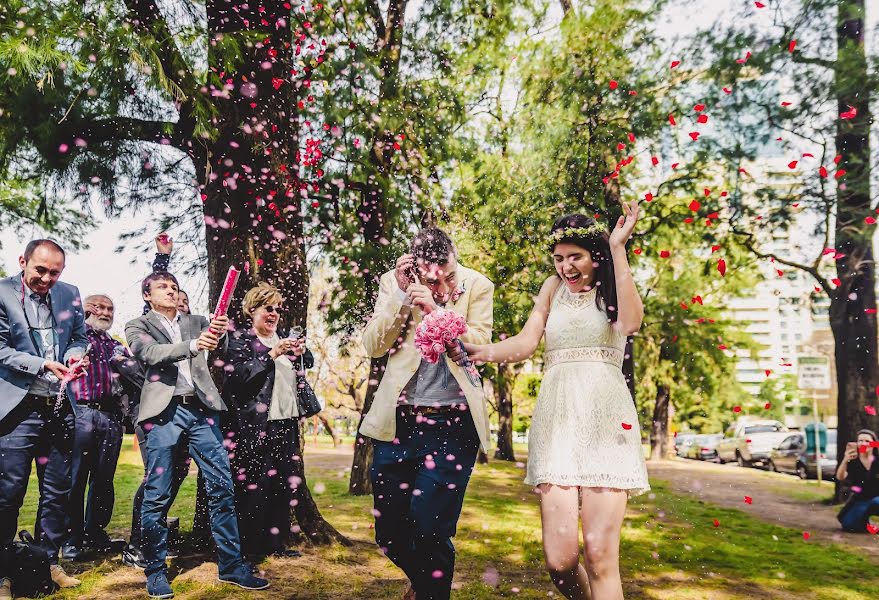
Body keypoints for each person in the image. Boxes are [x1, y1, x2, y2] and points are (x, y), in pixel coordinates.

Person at [464, 210, 649, 600]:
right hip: (557, 422)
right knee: (560, 561)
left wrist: (618, 249)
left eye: (575, 257)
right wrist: (484, 351)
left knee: (601, 557)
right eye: (559, 258)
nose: (566, 266)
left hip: (606, 422)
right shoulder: (551, 289)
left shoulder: (613, 285)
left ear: (593, 255)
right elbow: (527, 341)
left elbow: (631, 324)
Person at [360, 224, 495, 600]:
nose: (441, 285)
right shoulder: (395, 283)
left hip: (453, 424)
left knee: (430, 528)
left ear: (453, 259)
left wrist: (437, 310)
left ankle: (431, 593)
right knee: (388, 535)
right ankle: (424, 585)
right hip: (398, 422)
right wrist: (402, 297)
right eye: (431, 280)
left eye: (447, 277)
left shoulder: (478, 285)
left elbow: (480, 345)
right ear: (417, 267)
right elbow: (373, 345)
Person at [125, 271, 269, 598]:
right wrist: (192, 345)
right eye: (163, 287)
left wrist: (220, 335)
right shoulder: (138, 325)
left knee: (222, 485)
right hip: (164, 413)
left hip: (203, 410)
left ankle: (232, 566)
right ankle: (156, 571)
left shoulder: (198, 320)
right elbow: (149, 354)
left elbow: (221, 352)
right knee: (158, 492)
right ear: (147, 295)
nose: (171, 291)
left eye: (175, 287)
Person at [0, 239, 89, 593]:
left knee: (57, 492)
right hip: (17, 409)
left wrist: (73, 356)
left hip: (59, 406)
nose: (46, 278)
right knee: (8, 494)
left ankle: (47, 562)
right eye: (40, 270)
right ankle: (3, 572)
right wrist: (40, 365)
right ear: (23, 261)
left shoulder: (71, 293)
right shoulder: (2, 292)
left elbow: (78, 337)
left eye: (54, 272)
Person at [124, 234, 205, 569]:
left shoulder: (190, 327)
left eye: (184, 301)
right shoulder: (146, 327)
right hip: (156, 413)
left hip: (188, 412)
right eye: (173, 296)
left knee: (177, 473)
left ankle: (154, 534)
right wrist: (162, 258)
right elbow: (157, 291)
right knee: (155, 477)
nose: (178, 302)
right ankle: (137, 543)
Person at [223, 283, 312, 559]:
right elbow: (238, 377)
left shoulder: (283, 336)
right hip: (255, 426)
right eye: (267, 308)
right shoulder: (240, 339)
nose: (273, 314)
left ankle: (276, 544)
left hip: (286, 423)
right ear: (252, 310)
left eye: (277, 309)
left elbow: (308, 361)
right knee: (255, 486)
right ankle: (249, 550)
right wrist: (272, 354)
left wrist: (300, 352)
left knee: (283, 485)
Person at [63, 294, 129, 559]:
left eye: (109, 308)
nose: (105, 312)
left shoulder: (114, 344)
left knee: (104, 480)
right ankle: (70, 540)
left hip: (110, 416)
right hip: (81, 411)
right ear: (86, 309)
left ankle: (95, 533)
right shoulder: (76, 337)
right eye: (98, 307)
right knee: (75, 479)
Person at [836, 429, 879, 533]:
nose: (863, 443)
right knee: (849, 526)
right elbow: (840, 477)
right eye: (860, 441)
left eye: (867, 441)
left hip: (877, 498)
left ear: (874, 443)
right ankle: (865, 521)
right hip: (860, 499)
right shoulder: (853, 460)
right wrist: (845, 460)